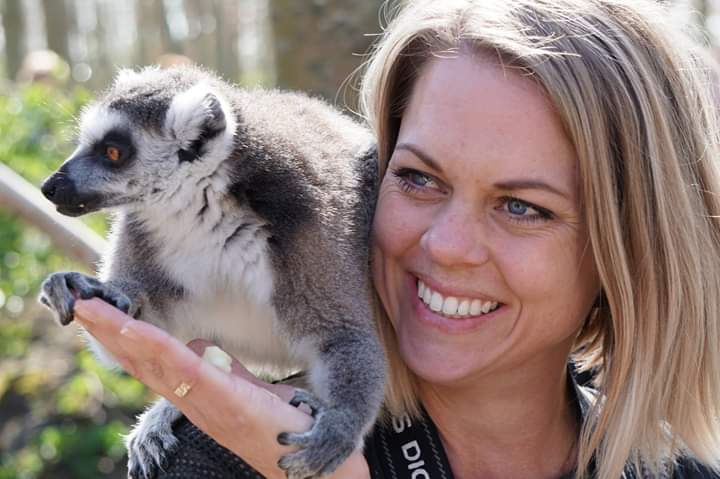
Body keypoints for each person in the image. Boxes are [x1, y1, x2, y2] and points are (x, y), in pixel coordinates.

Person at [71, 0, 720, 477]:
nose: (445, 245)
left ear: (634, 246)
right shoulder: (232, 454)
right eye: (417, 178)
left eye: (522, 206)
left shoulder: (681, 470)